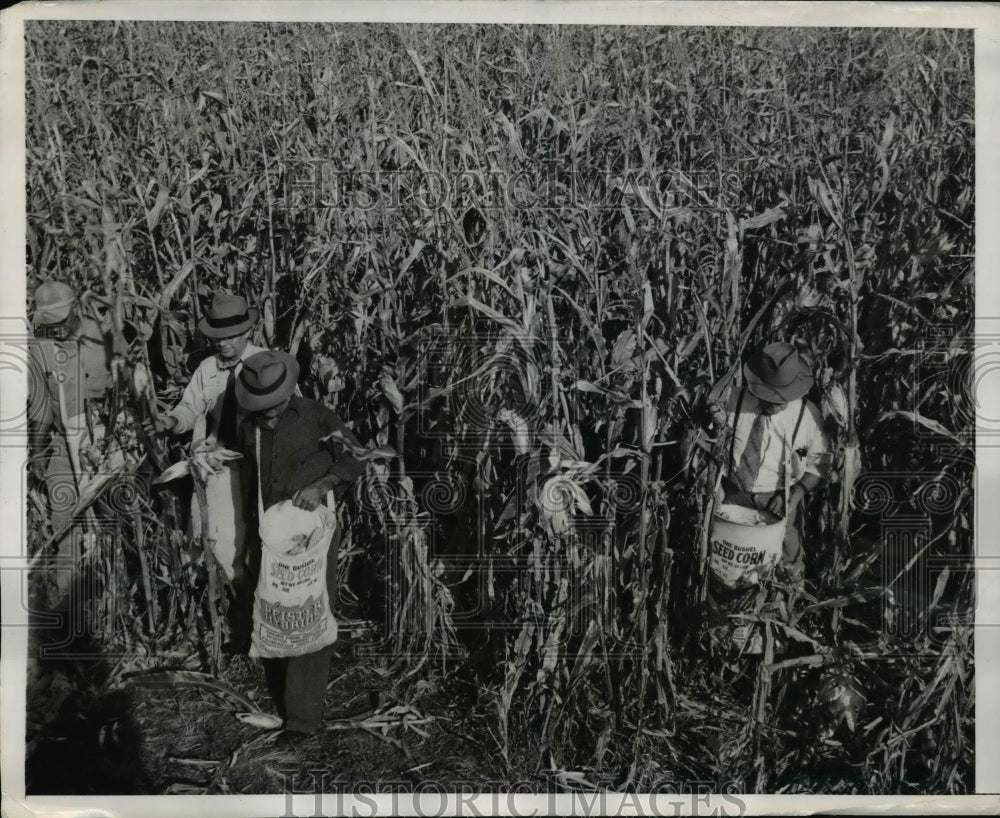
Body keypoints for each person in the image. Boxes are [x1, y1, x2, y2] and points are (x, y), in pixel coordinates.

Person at [233, 350, 366, 748]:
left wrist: (322, 485)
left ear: (288, 395)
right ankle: (283, 680)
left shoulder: (317, 416)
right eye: (260, 409)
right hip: (271, 535)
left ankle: (303, 719)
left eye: (272, 408)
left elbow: (356, 456)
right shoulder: (248, 426)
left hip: (312, 533)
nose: (267, 416)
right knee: (278, 610)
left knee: (308, 613)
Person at [27, 281, 118, 601]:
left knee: (109, 521)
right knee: (62, 518)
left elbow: (129, 391)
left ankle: (112, 598)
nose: (56, 331)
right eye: (48, 326)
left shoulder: (102, 336)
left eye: (61, 323)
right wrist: (38, 454)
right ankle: (68, 605)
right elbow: (40, 405)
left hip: (106, 446)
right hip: (63, 446)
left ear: (76, 310)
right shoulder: (40, 349)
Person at [708, 341, 828, 583]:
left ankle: (789, 600)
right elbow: (708, 448)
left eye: (780, 398)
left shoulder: (807, 416)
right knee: (727, 563)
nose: (773, 402)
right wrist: (716, 487)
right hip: (731, 492)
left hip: (779, 499)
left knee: (788, 563)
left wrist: (794, 496)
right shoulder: (732, 401)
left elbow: (818, 464)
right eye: (767, 395)